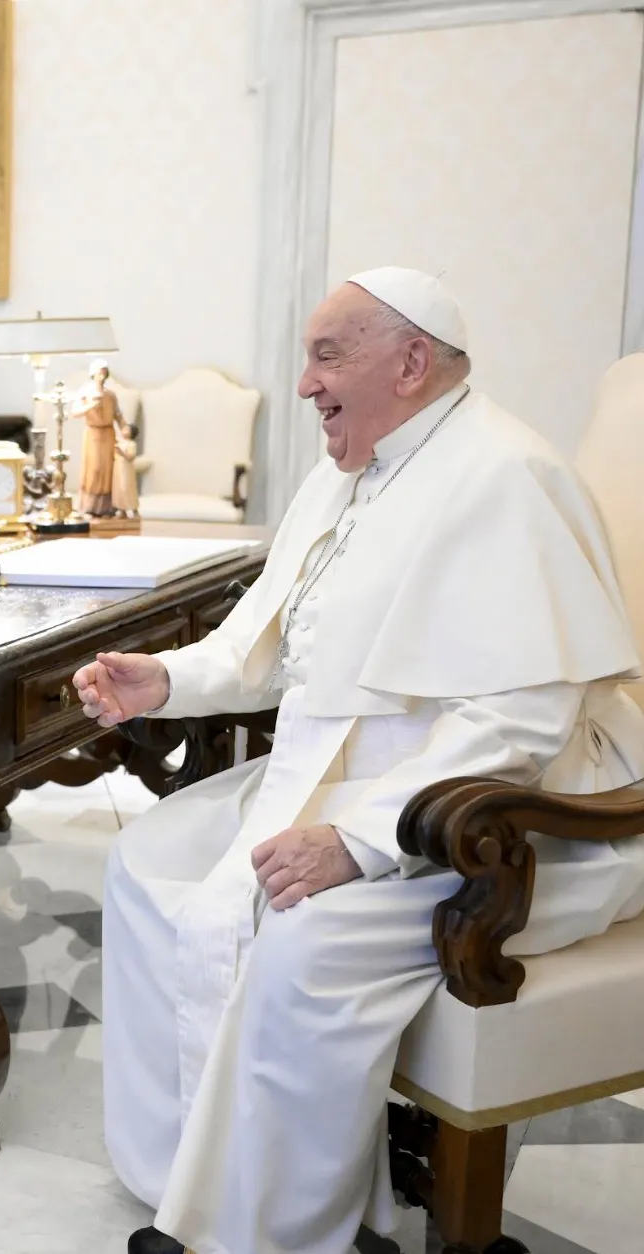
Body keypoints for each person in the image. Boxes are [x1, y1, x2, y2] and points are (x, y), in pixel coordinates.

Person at [75, 267, 644, 1254]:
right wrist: (161, 682)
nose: (303, 384)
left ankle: (276, 1233)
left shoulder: (508, 474)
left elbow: (521, 722)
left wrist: (360, 840)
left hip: (505, 817)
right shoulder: (345, 470)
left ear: (413, 362)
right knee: (142, 870)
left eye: (326, 355)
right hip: (338, 771)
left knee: (302, 939)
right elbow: (271, 644)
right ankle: (182, 1185)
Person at [74, 359, 121, 516]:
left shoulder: (110, 395)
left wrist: (125, 428)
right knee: (94, 469)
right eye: (99, 372)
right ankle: (89, 506)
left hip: (108, 433)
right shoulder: (84, 392)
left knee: (108, 469)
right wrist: (91, 406)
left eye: (104, 372)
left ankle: (107, 507)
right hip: (93, 434)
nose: (102, 375)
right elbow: (76, 412)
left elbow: (117, 414)